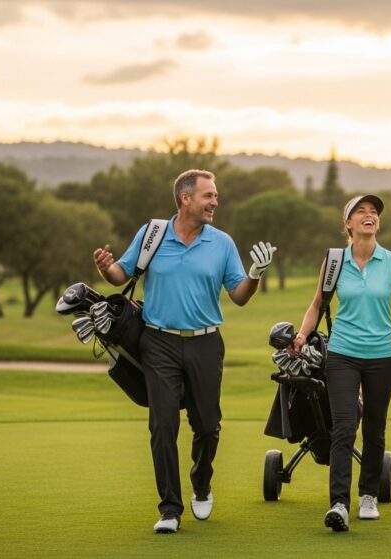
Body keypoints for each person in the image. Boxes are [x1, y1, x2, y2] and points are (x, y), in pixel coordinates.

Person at [92, 169, 276, 534]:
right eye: (208, 196)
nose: (215, 202)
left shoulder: (222, 243)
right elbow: (120, 275)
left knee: (207, 426)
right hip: (158, 342)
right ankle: (170, 509)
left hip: (205, 343)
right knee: (162, 425)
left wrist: (254, 275)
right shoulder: (152, 234)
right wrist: (105, 268)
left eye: (215, 196)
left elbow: (239, 296)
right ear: (185, 199)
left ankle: (201, 482)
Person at [293, 194, 391, 533]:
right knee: (344, 426)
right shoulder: (334, 261)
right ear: (348, 223)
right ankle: (338, 503)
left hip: (382, 356)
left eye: (373, 211)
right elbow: (317, 305)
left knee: (375, 427)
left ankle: (368, 496)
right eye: (360, 211)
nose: (369, 215)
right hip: (343, 355)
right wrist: (302, 336)